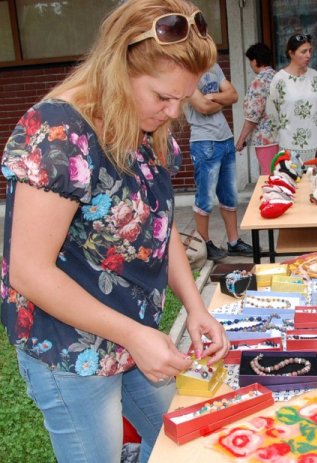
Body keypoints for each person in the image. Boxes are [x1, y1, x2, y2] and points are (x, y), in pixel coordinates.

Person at [0, 1, 229, 462]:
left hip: (134, 336)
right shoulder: (58, 131)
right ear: (119, 65)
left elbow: (159, 229)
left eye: (182, 100)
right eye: (163, 97)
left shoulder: (141, 123)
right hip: (72, 354)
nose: (172, 112)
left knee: (179, 445)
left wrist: (195, 305)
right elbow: (27, 271)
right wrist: (133, 334)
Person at [184, 63, 254, 260]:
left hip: (225, 138)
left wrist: (213, 97)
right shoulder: (185, 70)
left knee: (229, 195)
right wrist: (222, 100)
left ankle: (233, 242)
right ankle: (204, 245)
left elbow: (234, 95)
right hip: (203, 141)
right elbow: (203, 107)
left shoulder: (213, 67)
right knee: (205, 197)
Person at [266, 34, 317, 161]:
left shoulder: (315, 75)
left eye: (310, 51)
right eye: (303, 51)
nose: (308, 55)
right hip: (289, 147)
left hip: (316, 144)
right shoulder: (279, 79)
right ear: (291, 53)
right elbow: (272, 115)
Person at [234, 43, 277, 153]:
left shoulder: (258, 81)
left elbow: (253, 115)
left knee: (268, 170)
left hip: (266, 140)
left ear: (254, 61)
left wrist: (241, 140)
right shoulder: (279, 77)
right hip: (283, 137)